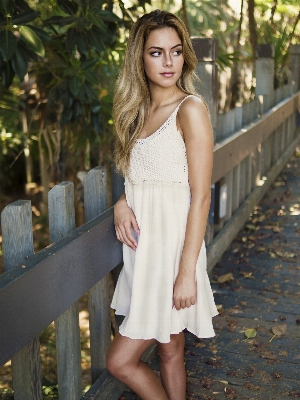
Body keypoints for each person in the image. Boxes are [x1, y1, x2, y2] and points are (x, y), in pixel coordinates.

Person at [107, 9, 218, 400]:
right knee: (170, 350)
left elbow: (200, 194)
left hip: (173, 255)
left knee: (119, 362)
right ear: (140, 57)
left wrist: (186, 272)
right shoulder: (135, 114)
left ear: (184, 54)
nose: (168, 62)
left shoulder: (190, 110)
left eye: (175, 51)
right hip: (144, 256)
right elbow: (141, 178)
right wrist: (122, 202)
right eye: (156, 52)